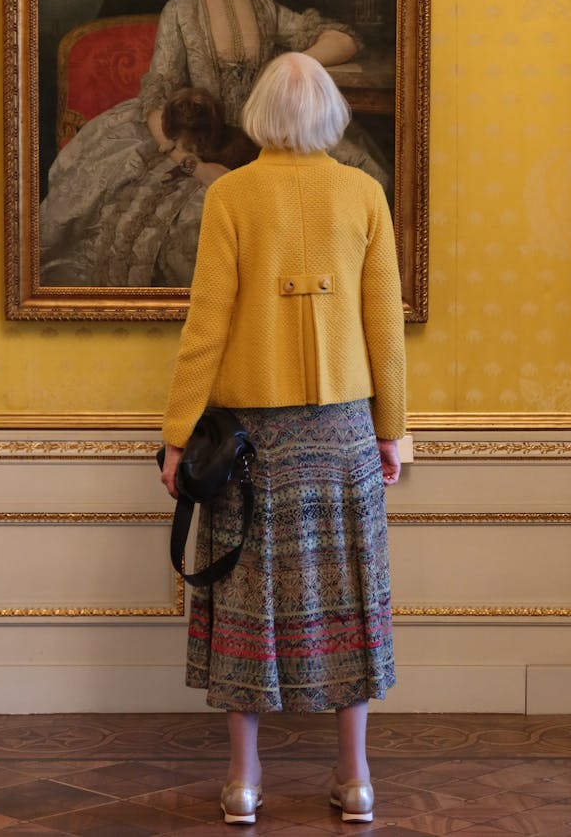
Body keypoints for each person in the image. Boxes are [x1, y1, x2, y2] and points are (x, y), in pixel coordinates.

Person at [160, 51, 406, 825]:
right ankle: (356, 777)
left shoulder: (231, 195)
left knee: (245, 602)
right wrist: (392, 431)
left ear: (262, 112)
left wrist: (175, 436)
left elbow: (206, 326)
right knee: (351, 597)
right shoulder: (364, 194)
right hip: (343, 434)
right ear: (330, 112)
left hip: (249, 442)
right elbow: (385, 330)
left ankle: (242, 781)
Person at [39, 0, 388, 288]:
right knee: (200, 229)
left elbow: (344, 37)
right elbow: (157, 91)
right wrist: (190, 164)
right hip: (195, 145)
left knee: (359, 187)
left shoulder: (264, 7)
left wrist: (290, 63)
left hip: (261, 143)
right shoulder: (180, 11)